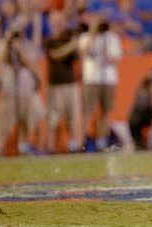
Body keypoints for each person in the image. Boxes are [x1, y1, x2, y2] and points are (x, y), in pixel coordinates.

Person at [0, 25, 44, 156]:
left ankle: (24, 147)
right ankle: (0, 149)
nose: (17, 39)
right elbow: (1, 59)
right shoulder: (4, 47)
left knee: (27, 120)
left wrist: (20, 50)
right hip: (10, 90)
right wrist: (7, 42)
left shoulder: (27, 46)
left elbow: (31, 64)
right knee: (4, 122)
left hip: (27, 90)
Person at [79, 16, 122, 152]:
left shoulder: (112, 38)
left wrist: (105, 55)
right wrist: (93, 32)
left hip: (108, 79)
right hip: (92, 78)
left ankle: (101, 141)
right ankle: (84, 141)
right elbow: (83, 52)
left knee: (105, 111)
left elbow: (116, 59)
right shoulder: (86, 37)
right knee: (87, 111)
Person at [44, 11, 83, 153]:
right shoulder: (49, 41)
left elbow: (77, 59)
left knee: (72, 117)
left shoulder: (68, 39)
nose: (58, 24)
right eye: (55, 21)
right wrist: (72, 45)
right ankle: (50, 147)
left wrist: (76, 45)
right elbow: (56, 55)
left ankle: (73, 145)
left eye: (60, 21)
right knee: (53, 118)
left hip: (70, 83)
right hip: (55, 86)